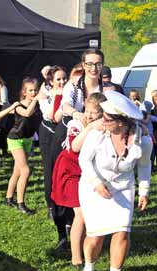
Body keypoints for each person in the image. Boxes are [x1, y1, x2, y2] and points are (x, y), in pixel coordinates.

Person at [78, 90, 152, 271]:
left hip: (123, 187)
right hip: (93, 186)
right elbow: (83, 160)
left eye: (108, 118)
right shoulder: (98, 133)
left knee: (122, 232)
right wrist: (96, 183)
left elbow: (144, 166)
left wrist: (144, 191)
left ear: (122, 121)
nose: (103, 120)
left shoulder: (142, 140)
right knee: (96, 236)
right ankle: (89, 266)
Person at [52, 49, 104, 250]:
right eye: (89, 64)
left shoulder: (108, 87)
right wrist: (78, 114)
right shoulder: (73, 86)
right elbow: (65, 106)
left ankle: (90, 238)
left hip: (97, 144)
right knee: (62, 190)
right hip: (71, 137)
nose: (93, 68)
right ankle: (63, 235)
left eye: (97, 64)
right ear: (83, 65)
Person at [51, 93, 105, 269]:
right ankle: (76, 258)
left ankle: (84, 249)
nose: (88, 115)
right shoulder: (76, 125)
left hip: (87, 172)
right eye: (87, 111)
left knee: (87, 214)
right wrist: (89, 128)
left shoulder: (105, 126)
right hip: (70, 171)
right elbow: (75, 147)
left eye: (94, 113)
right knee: (80, 213)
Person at [5, 77, 42, 215]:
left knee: (17, 171)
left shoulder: (36, 105)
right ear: (24, 92)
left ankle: (9, 198)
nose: (33, 93)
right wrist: (36, 99)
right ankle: (21, 203)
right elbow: (27, 113)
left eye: (35, 90)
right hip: (15, 139)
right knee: (25, 171)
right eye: (30, 90)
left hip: (27, 139)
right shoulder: (18, 105)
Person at [38, 66, 67, 219]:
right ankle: (51, 205)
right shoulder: (45, 94)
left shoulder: (69, 91)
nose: (62, 82)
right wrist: (59, 97)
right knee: (50, 168)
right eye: (58, 79)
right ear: (51, 81)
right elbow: (50, 115)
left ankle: (63, 203)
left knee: (62, 169)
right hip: (48, 133)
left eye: (64, 78)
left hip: (63, 133)